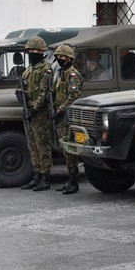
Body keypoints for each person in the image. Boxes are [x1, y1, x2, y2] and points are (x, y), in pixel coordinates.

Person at [19, 36, 54, 191]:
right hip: (28, 112)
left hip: (39, 113)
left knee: (42, 145)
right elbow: (23, 89)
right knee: (32, 145)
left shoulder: (46, 69)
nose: (31, 53)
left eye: (33, 51)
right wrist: (19, 94)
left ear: (41, 52)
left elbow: (44, 92)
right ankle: (36, 175)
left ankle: (45, 176)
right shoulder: (28, 71)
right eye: (29, 51)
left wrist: (34, 110)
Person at [51, 44, 84, 194]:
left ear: (69, 58)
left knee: (70, 149)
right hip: (60, 116)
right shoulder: (61, 73)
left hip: (68, 116)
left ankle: (73, 181)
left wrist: (59, 111)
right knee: (65, 150)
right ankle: (70, 179)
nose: (59, 59)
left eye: (62, 57)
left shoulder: (73, 75)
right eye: (57, 57)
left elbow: (73, 97)